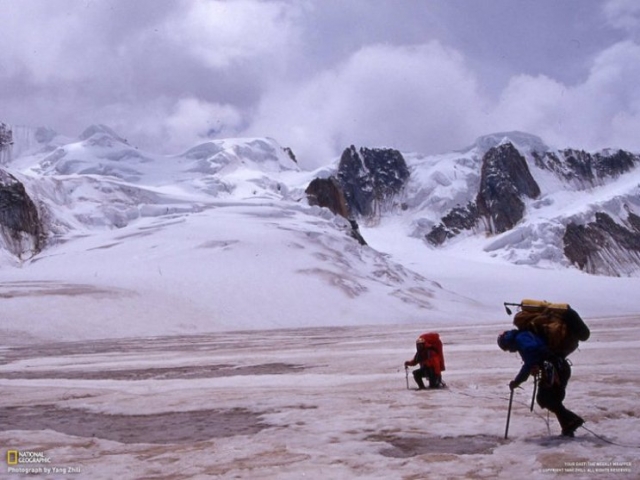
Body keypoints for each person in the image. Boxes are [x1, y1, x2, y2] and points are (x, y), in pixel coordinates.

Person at [497, 329, 584, 437]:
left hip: (553, 370)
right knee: (552, 399)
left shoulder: (521, 339)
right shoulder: (525, 336)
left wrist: (517, 381)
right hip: (559, 367)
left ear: (507, 342)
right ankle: (568, 427)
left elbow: (530, 362)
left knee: (544, 398)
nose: (510, 351)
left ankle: (572, 421)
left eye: (507, 348)